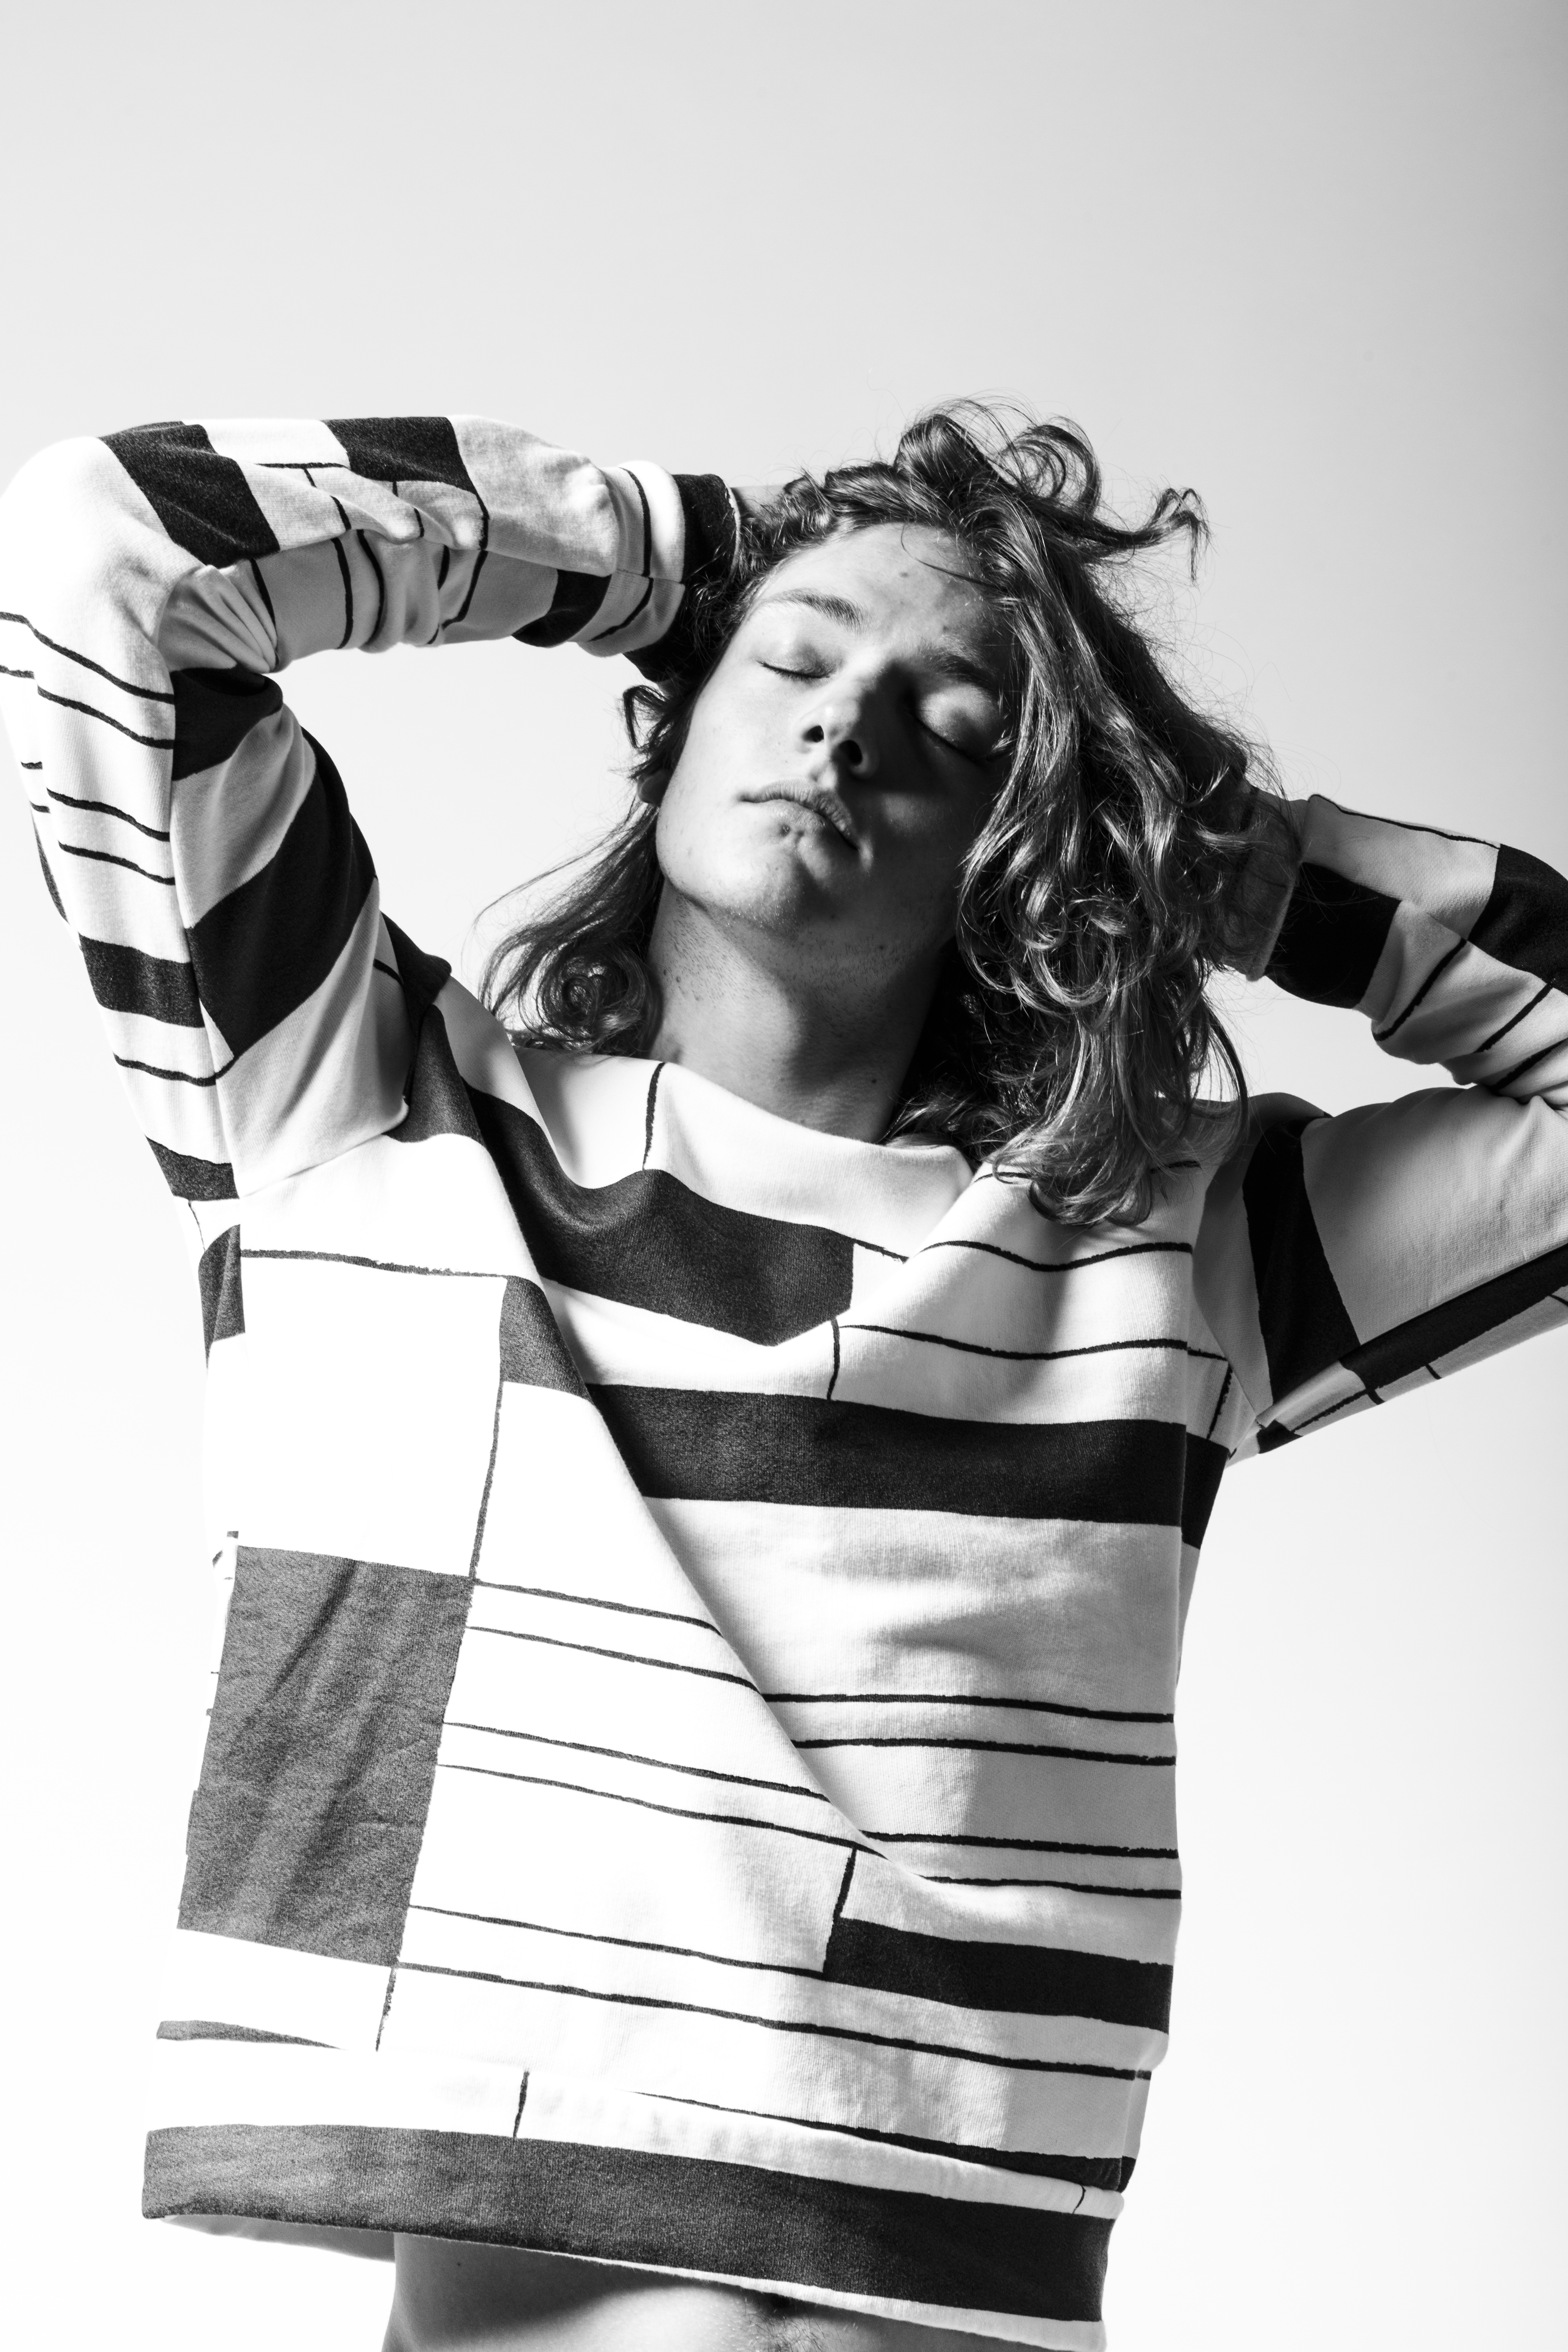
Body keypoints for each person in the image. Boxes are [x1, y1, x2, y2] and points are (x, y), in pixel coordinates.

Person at [1, 402, 1564, 2352]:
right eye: (795, 661)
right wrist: (686, 557)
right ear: (672, 712)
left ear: (1026, 851)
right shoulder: (359, 1113)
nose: (847, 728)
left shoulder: (1161, 1250)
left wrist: (1278, 884)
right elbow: (111, 549)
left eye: (956, 725)